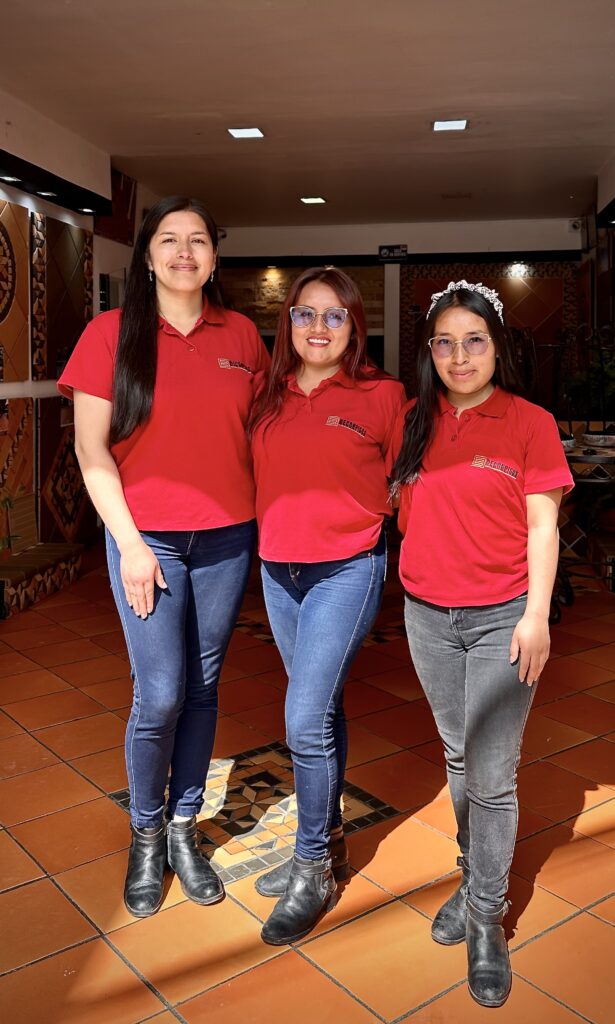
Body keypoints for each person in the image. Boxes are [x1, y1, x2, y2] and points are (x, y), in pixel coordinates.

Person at [58, 195, 269, 918]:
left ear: (214, 256)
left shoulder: (242, 335)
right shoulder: (110, 334)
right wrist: (129, 545)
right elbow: (91, 449)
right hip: (146, 540)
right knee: (160, 694)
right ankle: (146, 834)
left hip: (227, 538)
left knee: (203, 687)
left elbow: (267, 433)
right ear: (146, 256)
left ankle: (183, 827)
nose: (184, 252)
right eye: (169, 240)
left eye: (198, 240)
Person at [390, 281, 573, 1007]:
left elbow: (542, 526)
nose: (459, 356)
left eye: (474, 341)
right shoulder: (415, 421)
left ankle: (487, 918)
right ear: (429, 351)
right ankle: (473, 882)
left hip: (503, 617)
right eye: (444, 343)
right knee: (459, 757)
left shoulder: (529, 422)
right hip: (426, 616)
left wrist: (536, 616)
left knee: (491, 775)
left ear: (498, 348)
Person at [248, 267, 406, 944]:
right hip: (277, 570)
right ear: (287, 322)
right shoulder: (267, 393)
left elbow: (409, 479)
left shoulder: (383, 395)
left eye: (333, 315)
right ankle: (331, 842)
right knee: (322, 709)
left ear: (353, 326)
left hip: (346, 568)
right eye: (305, 314)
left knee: (304, 716)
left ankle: (311, 865)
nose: (318, 327)